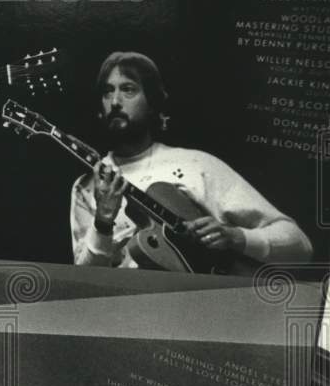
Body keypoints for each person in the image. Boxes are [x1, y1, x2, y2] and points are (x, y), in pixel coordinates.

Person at [69, 51, 313, 270]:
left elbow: (299, 245)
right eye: (107, 91)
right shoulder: (87, 186)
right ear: (99, 108)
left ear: (153, 103)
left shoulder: (195, 164)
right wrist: (102, 221)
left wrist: (236, 237)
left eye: (128, 89)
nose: (115, 101)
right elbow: (87, 279)